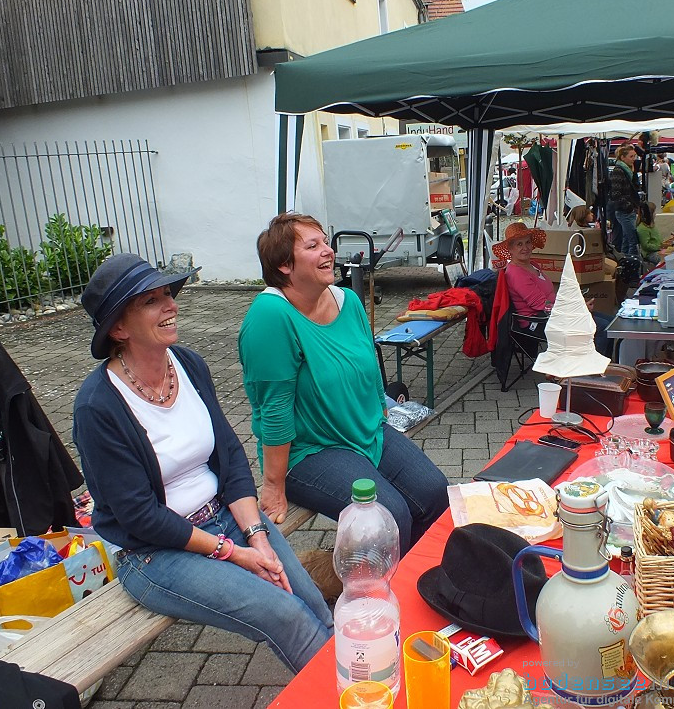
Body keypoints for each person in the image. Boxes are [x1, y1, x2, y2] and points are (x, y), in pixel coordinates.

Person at [72, 254, 333, 673]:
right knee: (284, 614)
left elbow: (229, 454)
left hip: (228, 519)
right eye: (151, 301)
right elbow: (139, 516)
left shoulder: (188, 364)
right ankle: (347, 693)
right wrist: (234, 553)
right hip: (155, 551)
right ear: (118, 328)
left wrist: (257, 535)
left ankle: (359, 689)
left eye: (168, 295)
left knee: (311, 600)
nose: (171, 305)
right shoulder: (98, 406)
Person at [239, 213, 449, 557]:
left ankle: (414, 576)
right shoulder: (271, 317)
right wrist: (274, 485)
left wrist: (380, 413)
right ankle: (380, 597)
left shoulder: (348, 301)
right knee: (388, 516)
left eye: (325, 241)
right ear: (284, 265)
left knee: (435, 491)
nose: (328, 251)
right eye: (313, 245)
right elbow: (273, 409)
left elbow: (368, 367)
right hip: (311, 450)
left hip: (367, 433)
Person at [494, 221, 612, 356]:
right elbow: (542, 305)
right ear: (510, 249)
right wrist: (576, 308)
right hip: (539, 322)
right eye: (519, 244)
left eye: (527, 242)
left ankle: (604, 368)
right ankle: (591, 372)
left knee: (610, 322)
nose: (525, 247)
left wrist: (576, 304)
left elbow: (549, 297)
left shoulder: (532, 265)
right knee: (601, 327)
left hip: (553, 315)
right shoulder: (516, 274)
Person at [609, 143, 640, 257]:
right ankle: (632, 263)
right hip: (624, 211)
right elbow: (615, 194)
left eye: (634, 156)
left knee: (627, 240)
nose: (634, 159)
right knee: (633, 240)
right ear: (623, 157)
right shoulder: (619, 171)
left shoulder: (628, 171)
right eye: (631, 157)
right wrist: (629, 206)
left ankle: (624, 263)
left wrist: (634, 172)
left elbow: (635, 188)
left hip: (628, 210)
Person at [635, 201, 663, 269]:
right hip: (650, 254)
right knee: (665, 260)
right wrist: (658, 247)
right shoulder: (642, 228)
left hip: (657, 250)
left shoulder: (651, 226)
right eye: (654, 212)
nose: (655, 214)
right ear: (650, 214)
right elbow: (645, 246)